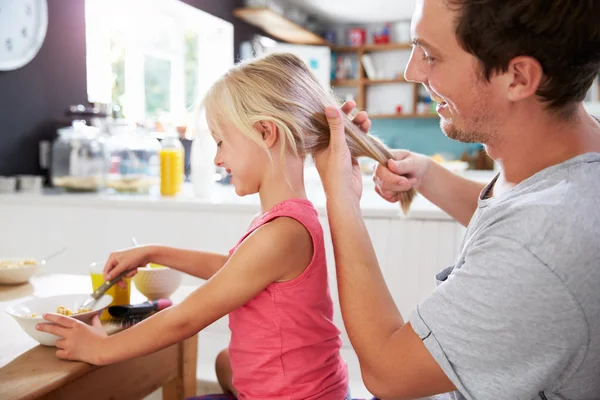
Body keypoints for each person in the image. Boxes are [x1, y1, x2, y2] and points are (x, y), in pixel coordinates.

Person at [35, 52, 402, 400]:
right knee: (226, 362)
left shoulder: (283, 232)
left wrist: (102, 349)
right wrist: (153, 252)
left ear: (265, 132)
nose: (218, 157)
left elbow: (186, 317)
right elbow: (233, 270)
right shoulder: (286, 221)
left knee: (223, 362)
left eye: (222, 141)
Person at [315, 0, 600, 399]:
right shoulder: (570, 160)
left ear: (517, 77)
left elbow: (387, 373)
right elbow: (512, 217)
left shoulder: (545, 240)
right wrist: (428, 176)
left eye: (430, 54)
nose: (411, 71)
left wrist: (341, 200)